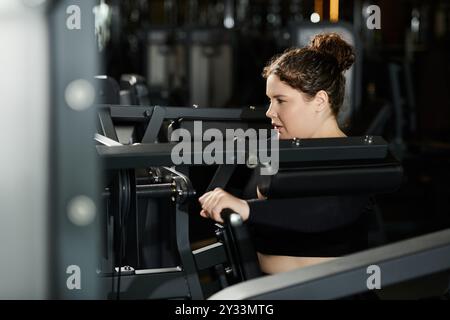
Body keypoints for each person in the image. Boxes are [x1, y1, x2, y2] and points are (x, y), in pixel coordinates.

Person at [198, 33, 369, 274]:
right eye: (270, 100)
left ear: (320, 101)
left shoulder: (356, 160)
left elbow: (325, 211)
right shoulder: (285, 148)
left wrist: (247, 208)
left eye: (281, 100)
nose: (270, 111)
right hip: (262, 285)